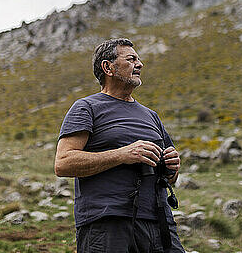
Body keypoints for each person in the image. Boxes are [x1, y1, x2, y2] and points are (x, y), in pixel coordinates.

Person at [55, 38, 185, 253]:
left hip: (159, 220)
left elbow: (170, 178)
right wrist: (123, 155)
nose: (140, 64)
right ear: (108, 67)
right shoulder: (86, 107)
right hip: (106, 221)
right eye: (131, 59)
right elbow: (63, 163)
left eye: (139, 59)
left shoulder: (151, 116)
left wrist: (172, 167)